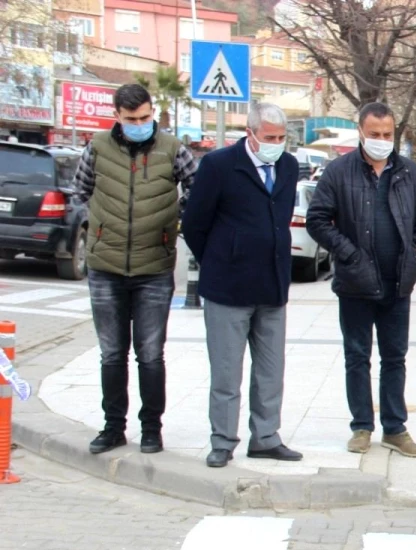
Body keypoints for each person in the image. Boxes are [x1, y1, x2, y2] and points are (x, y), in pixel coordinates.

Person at [306, 102, 416, 457]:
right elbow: (317, 219)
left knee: (395, 357)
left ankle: (394, 428)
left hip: (399, 282)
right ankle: (362, 426)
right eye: (375, 134)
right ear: (361, 132)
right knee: (357, 357)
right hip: (355, 283)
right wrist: (348, 253)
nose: (382, 140)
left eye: (388, 134)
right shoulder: (338, 172)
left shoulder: (408, 172)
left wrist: (415, 246)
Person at [72, 83, 197, 456]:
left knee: (150, 353)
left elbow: (198, 191)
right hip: (105, 266)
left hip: (154, 267)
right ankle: (113, 428)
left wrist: (173, 223)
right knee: (111, 353)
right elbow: (78, 192)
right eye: (132, 119)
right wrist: (97, 228)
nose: (140, 124)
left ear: (152, 111)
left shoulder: (173, 150)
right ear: (117, 116)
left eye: (145, 117)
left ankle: (151, 429)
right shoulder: (96, 147)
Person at [181, 103, 301, 468]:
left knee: (270, 371)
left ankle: (266, 437)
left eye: (281, 138)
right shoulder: (219, 165)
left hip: (272, 286)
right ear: (250, 133)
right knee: (226, 372)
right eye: (269, 138)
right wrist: (220, 258)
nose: (276, 144)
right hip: (228, 288)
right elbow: (194, 224)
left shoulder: (288, 166)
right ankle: (222, 440)